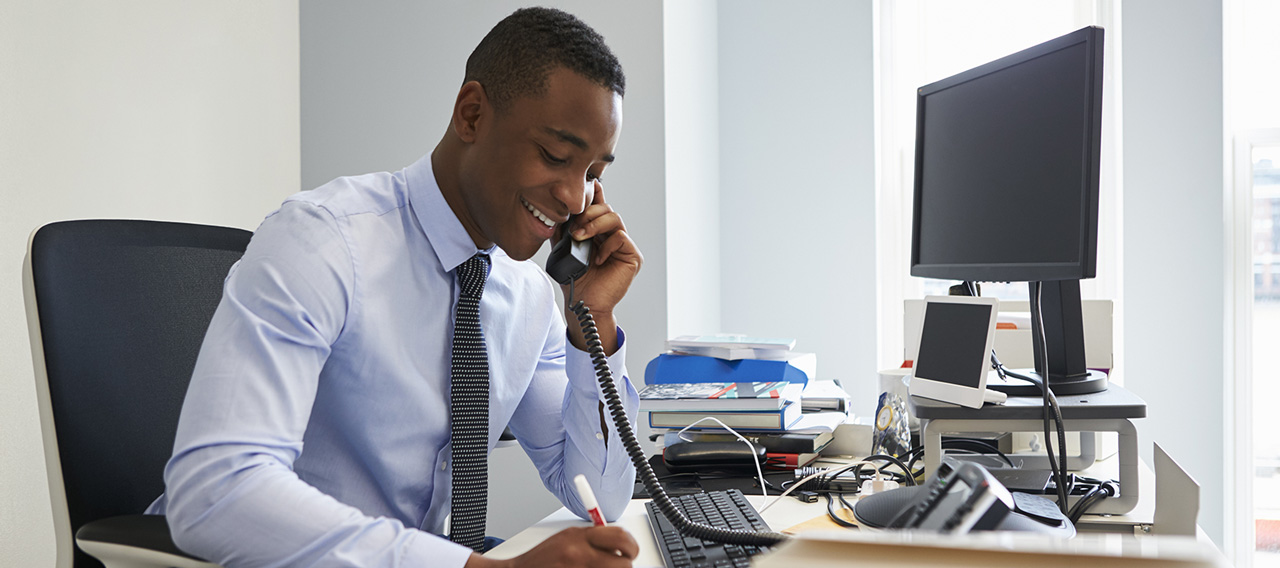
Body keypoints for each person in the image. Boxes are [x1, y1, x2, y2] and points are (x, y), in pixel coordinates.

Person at [150, 7, 643, 567]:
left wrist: (591, 326)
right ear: (472, 114)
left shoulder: (526, 297)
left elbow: (598, 493)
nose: (577, 199)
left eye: (594, 174)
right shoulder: (323, 243)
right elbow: (217, 491)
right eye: (556, 156)